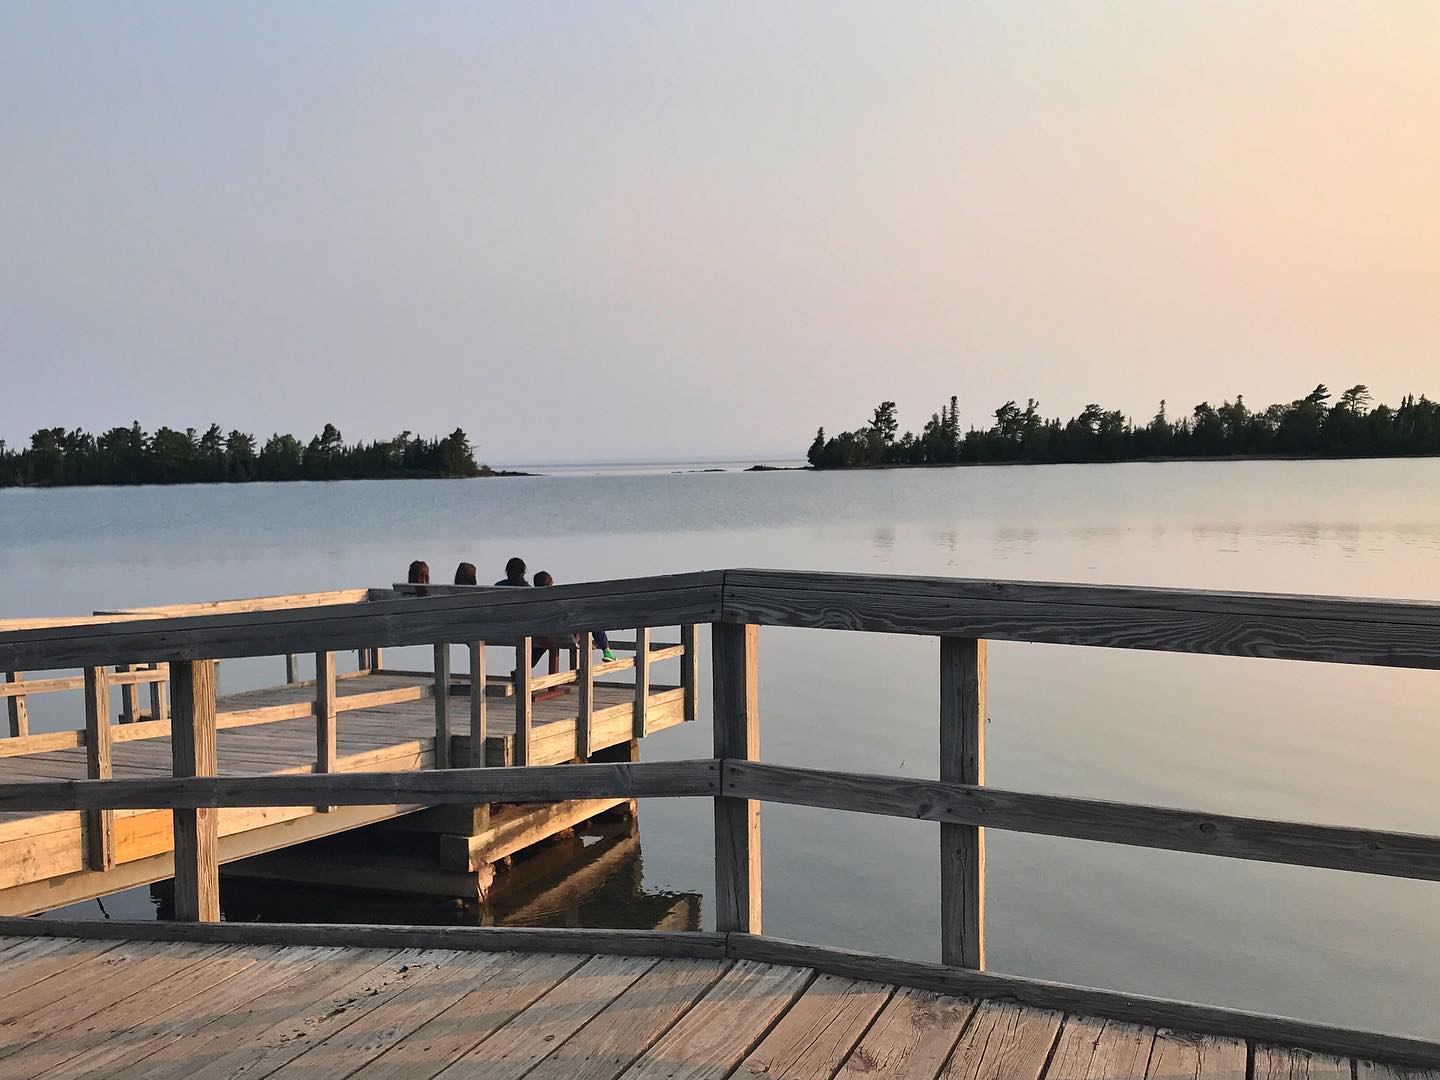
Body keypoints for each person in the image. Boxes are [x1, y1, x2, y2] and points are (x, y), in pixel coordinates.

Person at [534, 570, 616, 662]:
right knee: (590, 617)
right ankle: (606, 650)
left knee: (540, 642)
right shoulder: (553, 598)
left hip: (541, 634)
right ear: (550, 584)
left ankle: (519, 672)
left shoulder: (533, 601)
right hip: (563, 635)